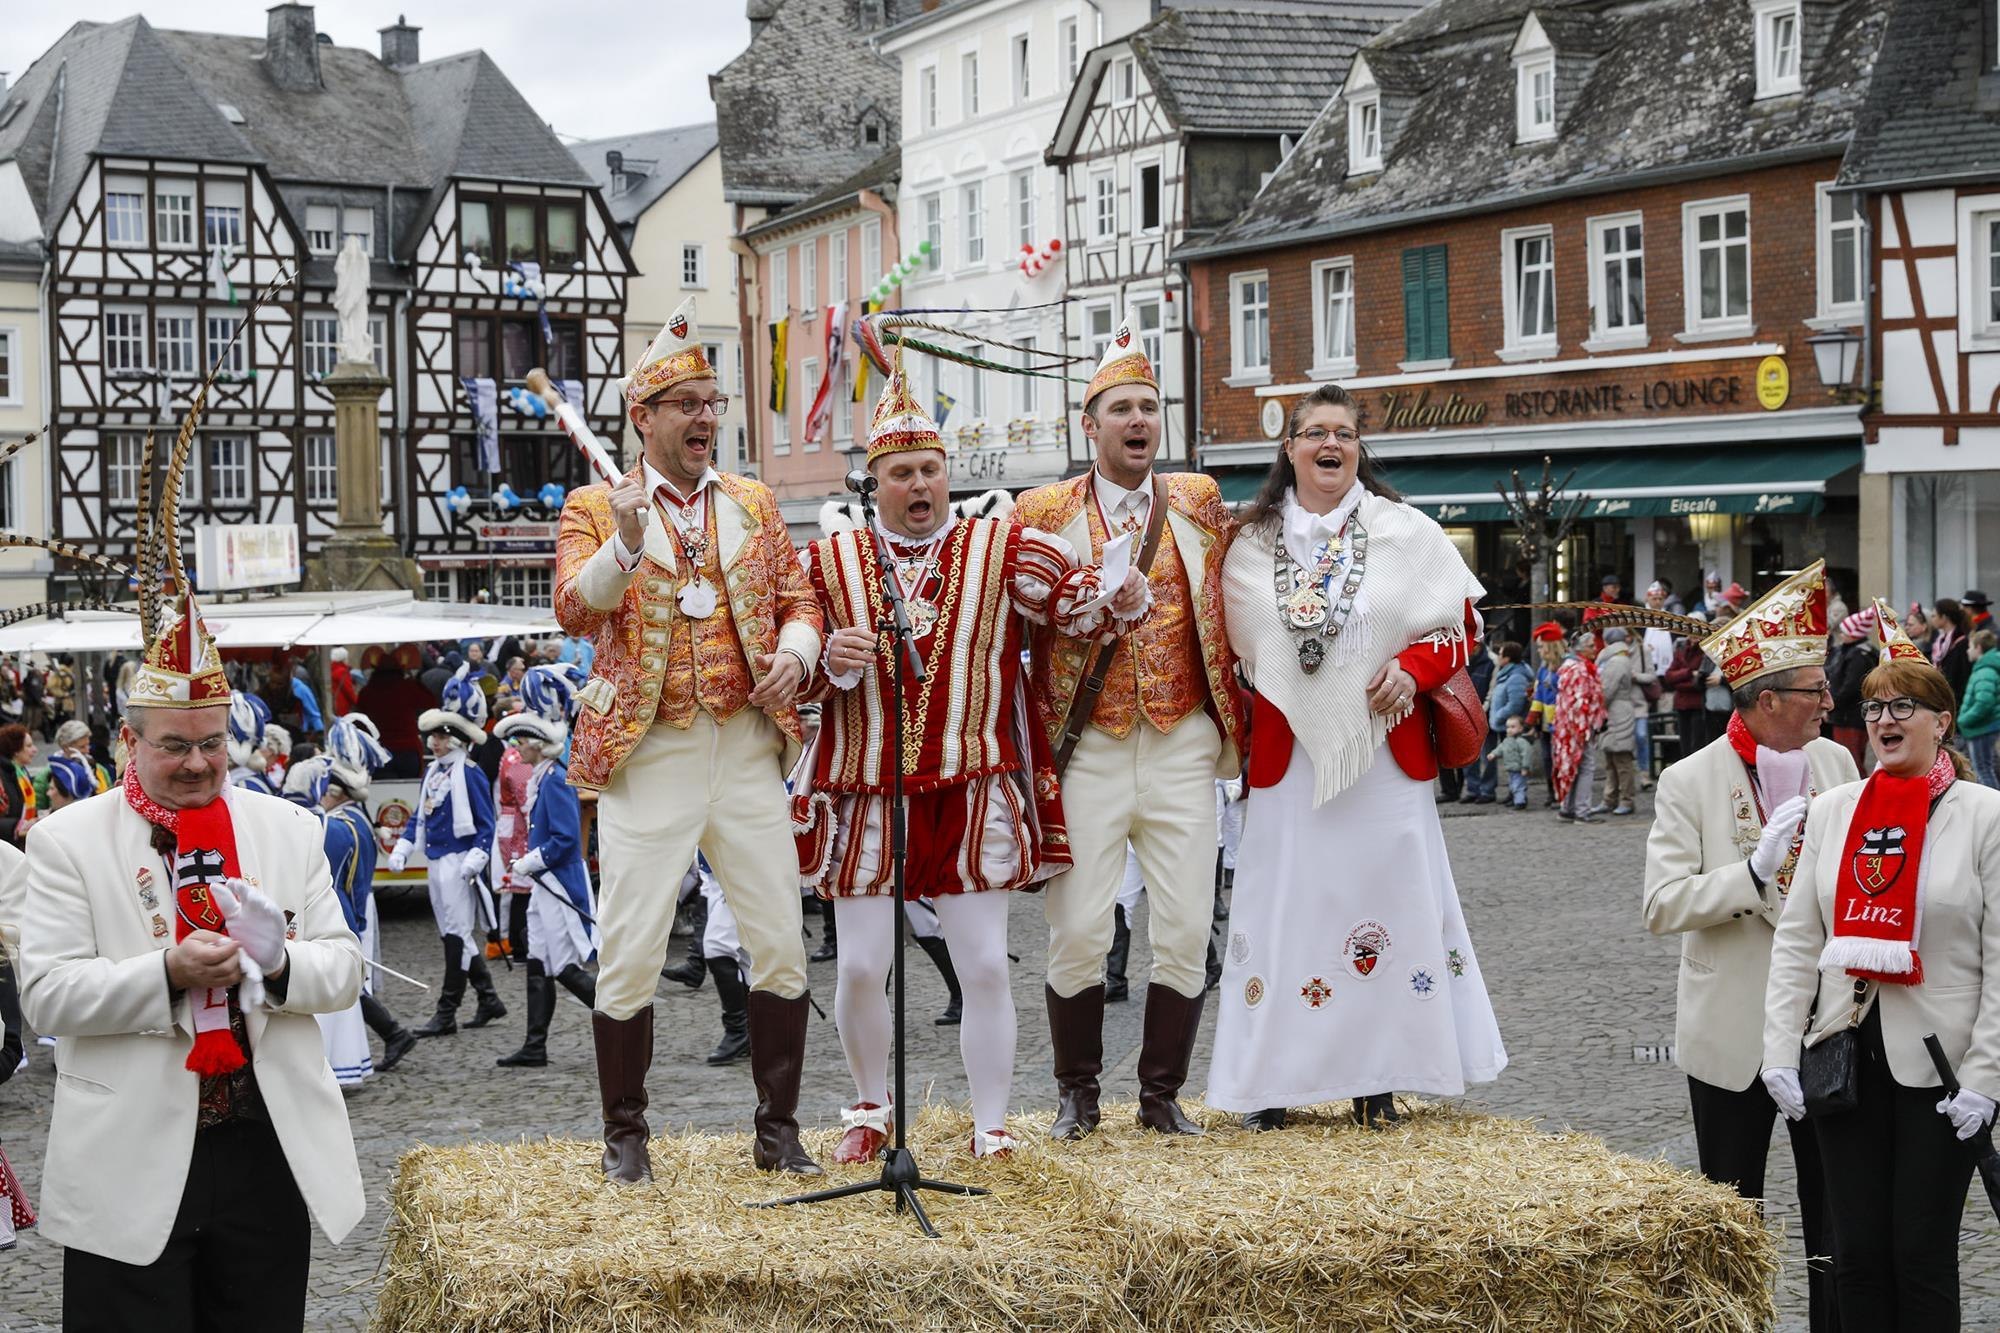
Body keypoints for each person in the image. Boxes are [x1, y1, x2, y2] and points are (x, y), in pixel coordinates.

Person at [798, 366, 1142, 1162]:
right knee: (860, 966)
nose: (920, 485)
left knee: (984, 963)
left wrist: (1115, 594)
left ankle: (992, 1124)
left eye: (930, 469)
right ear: (875, 481)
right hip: (866, 784)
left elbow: (1073, 603)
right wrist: (829, 659)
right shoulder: (831, 561)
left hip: (972, 779)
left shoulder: (999, 544)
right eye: (901, 473)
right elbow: (793, 659)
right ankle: (869, 1109)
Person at [3, 587, 364, 1327]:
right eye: (174, 745)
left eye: (212, 743)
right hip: (128, 1157)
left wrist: (277, 962)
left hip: (264, 1147)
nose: (198, 763)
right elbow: (47, 995)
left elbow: (345, 969)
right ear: (128, 741)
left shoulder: (289, 829)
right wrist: (168, 973)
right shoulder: (68, 841)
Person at [553, 295, 823, 1182]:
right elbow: (572, 608)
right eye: (687, 405)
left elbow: (798, 598)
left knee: (779, 938)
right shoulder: (596, 505)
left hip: (745, 744)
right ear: (645, 417)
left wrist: (795, 654)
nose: (706, 418)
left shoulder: (752, 500)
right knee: (631, 946)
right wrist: (626, 544)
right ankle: (626, 1134)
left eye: (713, 403)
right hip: (650, 752)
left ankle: (778, 1129)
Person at [1205, 381, 1506, 1132]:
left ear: (1359, 448)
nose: (1330, 444)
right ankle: (1271, 1081)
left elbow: (1459, 626)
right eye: (1315, 432)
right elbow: (1224, 642)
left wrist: (1413, 670)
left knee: (1387, 906)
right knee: (1288, 910)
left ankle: (1381, 1076)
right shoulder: (1248, 545)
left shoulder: (1405, 531)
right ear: (1290, 448)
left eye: (1343, 432)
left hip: (1383, 758)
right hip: (1290, 761)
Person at [1011, 306, 1244, 1142]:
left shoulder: (1198, 498)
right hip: (1087, 746)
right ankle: (1076, 1093)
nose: (1138, 420)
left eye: (1148, 407)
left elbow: (1242, 588)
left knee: (1185, 927)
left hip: (1182, 738)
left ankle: (1160, 1094)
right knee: (1078, 927)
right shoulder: (1042, 508)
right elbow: (1011, 613)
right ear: (1091, 425)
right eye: (1122, 409)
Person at [1763, 604, 1999, 1328]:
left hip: (1941, 1067)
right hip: (1845, 1055)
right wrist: (1779, 1051)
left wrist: (1986, 1079)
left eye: (1902, 706)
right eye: (1872, 707)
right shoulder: (1835, 809)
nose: (1883, 720)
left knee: (1920, 1255)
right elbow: (1798, 940)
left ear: (1942, 722)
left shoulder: (1984, 814)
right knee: (1856, 1254)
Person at [1644, 560, 1856, 1333]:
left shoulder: (1837, 764)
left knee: (1835, 1216)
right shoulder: (1688, 779)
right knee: (1731, 1221)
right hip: (1730, 1034)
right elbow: (1662, 904)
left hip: (1823, 1027)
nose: (1829, 703)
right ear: (1769, 700)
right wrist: (1752, 873)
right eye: (1815, 691)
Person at [387, 667, 507, 1038]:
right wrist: (404, 846)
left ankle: (447, 1011)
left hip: (459, 861)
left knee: (456, 935)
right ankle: (488, 998)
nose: (433, 742)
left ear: (455, 739)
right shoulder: (432, 773)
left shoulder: (469, 772)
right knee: (450, 933)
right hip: (436, 860)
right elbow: (419, 818)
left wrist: (475, 858)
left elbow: (486, 824)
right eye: (434, 736)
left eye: (440, 736)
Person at [491, 665, 599, 1069]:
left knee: (564, 965)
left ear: (538, 745)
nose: (517, 747)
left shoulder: (553, 778)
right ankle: (535, 1046)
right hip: (544, 881)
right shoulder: (542, 775)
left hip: (558, 880)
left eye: (522, 741)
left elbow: (566, 839)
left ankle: (622, 1021)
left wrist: (530, 861)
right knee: (538, 960)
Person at [315, 714, 416, 1076]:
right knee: (352, 981)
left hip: (346, 907)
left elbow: (330, 881)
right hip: (358, 905)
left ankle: (389, 1035)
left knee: (347, 981)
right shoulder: (355, 818)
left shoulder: (337, 826)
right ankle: (393, 1033)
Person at [1554, 628, 1608, 823]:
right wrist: (1586, 726)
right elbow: (1581, 701)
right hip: (1580, 726)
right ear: (1581, 649)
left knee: (1572, 764)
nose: (1595, 649)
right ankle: (1581, 811)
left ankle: (1568, 808)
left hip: (1568, 725)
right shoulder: (1581, 669)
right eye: (1591, 646)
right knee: (1586, 766)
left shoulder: (1569, 667)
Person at [354, 645, 432, 779]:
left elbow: (359, 722)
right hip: (409, 751)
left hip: (379, 752)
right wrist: (416, 681)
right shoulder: (408, 687)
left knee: (381, 791)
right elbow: (430, 701)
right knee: (410, 790)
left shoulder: (366, 693)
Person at [1596, 627, 1651, 815]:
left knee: (1621, 759)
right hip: (1615, 712)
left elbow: (1607, 690)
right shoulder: (1617, 658)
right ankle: (1610, 798)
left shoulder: (1616, 661)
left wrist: (1596, 705)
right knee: (1611, 759)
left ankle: (1625, 800)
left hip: (1617, 713)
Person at [1826, 606, 1878, 769]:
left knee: (1850, 760)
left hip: (1849, 717)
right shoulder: (1850, 651)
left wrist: (1832, 706)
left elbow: (1850, 687)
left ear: (1854, 634)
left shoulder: (1858, 656)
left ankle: (1854, 783)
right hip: (1847, 715)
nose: (1841, 635)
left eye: (1844, 632)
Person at [1958, 629, 2000, 788]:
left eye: (1970, 646)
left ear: (1979, 648)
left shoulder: (1984, 671)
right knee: (1986, 769)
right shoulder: (1985, 668)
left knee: (1983, 771)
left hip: (1981, 728)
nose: (1967, 651)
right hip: (1985, 727)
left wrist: (1963, 719)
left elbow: (1984, 703)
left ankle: (1992, 802)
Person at [1530, 623, 1564, 806]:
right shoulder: (1543, 669)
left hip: (1559, 723)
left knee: (1559, 760)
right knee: (1547, 759)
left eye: (1541, 646)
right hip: (1544, 723)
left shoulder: (1564, 669)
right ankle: (1552, 792)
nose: (1539, 650)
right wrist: (1533, 717)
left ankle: (1561, 793)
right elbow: (1539, 695)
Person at [1666, 632, 1714, 758]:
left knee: (1697, 746)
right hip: (1681, 705)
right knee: (1685, 745)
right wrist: (1689, 673)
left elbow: (1700, 682)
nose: (1693, 637)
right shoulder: (1681, 649)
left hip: (1698, 704)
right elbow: (1669, 676)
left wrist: (1679, 682)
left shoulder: (1705, 652)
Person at [1928, 596, 1973, 702]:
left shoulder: (1961, 642)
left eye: (1934, 616)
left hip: (1956, 699)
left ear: (1944, 617)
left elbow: (1963, 676)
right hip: (1943, 695)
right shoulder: (1940, 641)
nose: (1932, 619)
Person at [1487, 715, 1536, 810]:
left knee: (1518, 786)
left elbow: (1526, 755)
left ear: (1521, 728)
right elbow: (1500, 748)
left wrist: (1525, 767)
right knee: (1513, 785)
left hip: (1519, 769)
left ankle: (1520, 802)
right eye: (1508, 727)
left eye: (1513, 727)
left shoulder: (1522, 741)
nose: (1509, 729)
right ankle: (1518, 799)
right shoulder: (1507, 740)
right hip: (1511, 768)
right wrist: (1493, 754)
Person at [0, 725, 37, 848]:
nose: (35, 750)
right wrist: (15, 826)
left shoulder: (21, 772)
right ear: (15, 750)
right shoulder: (4, 775)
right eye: (29, 746)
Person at [329, 647, 359, 716]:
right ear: (343, 659)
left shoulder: (330, 669)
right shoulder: (342, 672)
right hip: (342, 708)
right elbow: (349, 692)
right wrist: (359, 703)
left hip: (333, 707)